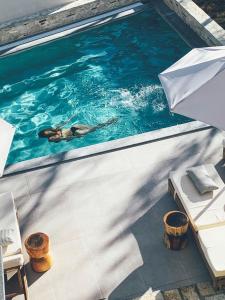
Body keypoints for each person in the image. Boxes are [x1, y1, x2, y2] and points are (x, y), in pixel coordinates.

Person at [38, 117, 118, 143]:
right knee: (95, 128)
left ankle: (109, 123)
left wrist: (71, 117)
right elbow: (66, 138)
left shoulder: (56, 128)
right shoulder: (52, 138)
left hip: (74, 127)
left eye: (47, 131)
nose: (48, 132)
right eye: (47, 133)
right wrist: (77, 137)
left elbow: (65, 122)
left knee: (95, 127)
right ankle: (111, 122)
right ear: (46, 135)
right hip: (76, 133)